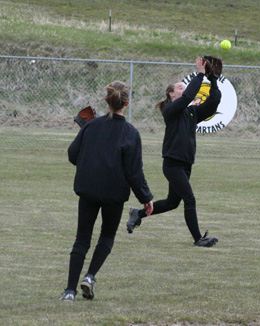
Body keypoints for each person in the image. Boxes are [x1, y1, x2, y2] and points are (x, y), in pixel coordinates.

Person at [60, 81, 153, 301]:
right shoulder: (131, 133)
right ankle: (90, 277)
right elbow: (134, 173)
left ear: (106, 101)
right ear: (127, 103)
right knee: (107, 236)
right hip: (114, 194)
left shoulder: (91, 126)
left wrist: (90, 161)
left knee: (82, 239)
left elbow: (73, 154)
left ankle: (69, 291)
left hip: (89, 189)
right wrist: (146, 198)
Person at [127, 57, 221, 247]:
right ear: (171, 94)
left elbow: (213, 103)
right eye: (179, 87)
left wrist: (212, 81)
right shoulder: (170, 111)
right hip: (173, 163)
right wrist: (200, 74)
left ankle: (138, 213)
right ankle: (198, 239)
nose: (183, 89)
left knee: (172, 202)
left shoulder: (191, 113)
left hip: (185, 164)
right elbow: (187, 98)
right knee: (189, 199)